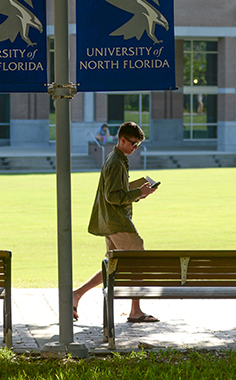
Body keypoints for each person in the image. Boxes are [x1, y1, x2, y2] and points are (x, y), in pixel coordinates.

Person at [72, 121, 159, 323]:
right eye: (133, 144)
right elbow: (112, 196)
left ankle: (76, 294)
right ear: (122, 139)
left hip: (112, 222)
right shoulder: (115, 162)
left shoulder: (117, 159)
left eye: (138, 145)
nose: (135, 148)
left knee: (113, 266)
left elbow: (117, 192)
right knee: (138, 263)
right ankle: (135, 311)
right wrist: (138, 192)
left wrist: (138, 194)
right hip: (118, 222)